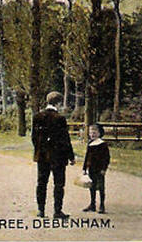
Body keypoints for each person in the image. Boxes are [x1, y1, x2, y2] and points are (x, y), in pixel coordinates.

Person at [32, 91, 75, 219]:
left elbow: (34, 138)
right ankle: (57, 211)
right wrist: (71, 156)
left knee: (41, 183)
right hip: (58, 157)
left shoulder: (37, 117)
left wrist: (40, 149)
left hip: (42, 156)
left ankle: (41, 210)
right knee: (59, 184)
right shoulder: (60, 119)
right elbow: (65, 140)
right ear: (58, 103)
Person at [82, 123, 110, 214]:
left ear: (99, 133)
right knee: (92, 186)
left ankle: (102, 205)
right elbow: (87, 156)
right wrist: (84, 168)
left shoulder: (102, 144)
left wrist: (104, 169)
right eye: (91, 132)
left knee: (101, 187)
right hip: (91, 168)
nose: (92, 134)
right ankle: (92, 204)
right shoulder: (90, 143)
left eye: (95, 132)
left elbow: (106, 158)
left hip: (99, 169)